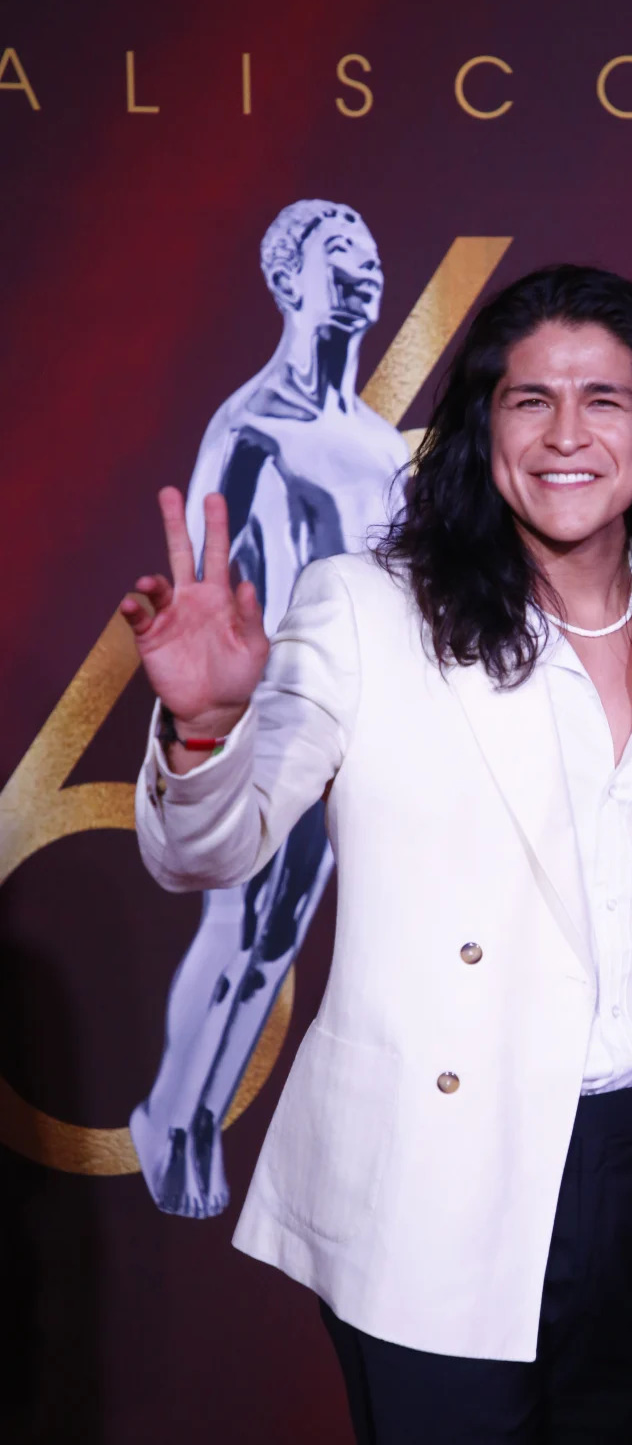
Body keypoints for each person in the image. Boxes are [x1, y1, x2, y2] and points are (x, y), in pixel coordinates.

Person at [124, 264, 632, 1444]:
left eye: (603, 400)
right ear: (483, 427)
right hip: (436, 1167)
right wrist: (207, 725)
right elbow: (209, 852)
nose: (566, 434)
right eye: (530, 400)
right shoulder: (368, 608)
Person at [129, 199, 408, 1219]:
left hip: (369, 722)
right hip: (274, 708)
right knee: (239, 915)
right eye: (343, 259)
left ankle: (194, 1113)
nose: (367, 275)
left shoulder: (385, 448)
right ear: (290, 279)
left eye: (373, 259)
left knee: (281, 930)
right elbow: (210, 583)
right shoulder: (251, 427)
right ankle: (174, 1114)